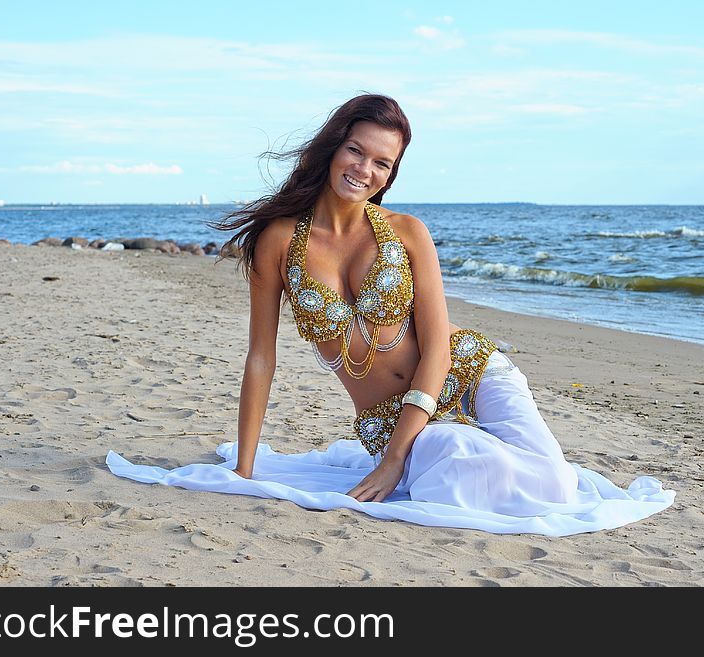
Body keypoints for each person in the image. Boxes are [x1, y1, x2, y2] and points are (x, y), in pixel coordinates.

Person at [107, 94, 674, 535]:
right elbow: (261, 358)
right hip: (383, 413)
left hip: (472, 375)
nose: (365, 170)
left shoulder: (408, 233)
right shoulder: (278, 241)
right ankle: (444, 449)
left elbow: (439, 347)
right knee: (454, 459)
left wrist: (395, 459)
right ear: (333, 147)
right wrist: (245, 469)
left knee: (552, 482)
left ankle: (444, 448)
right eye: (357, 151)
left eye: (383, 162)